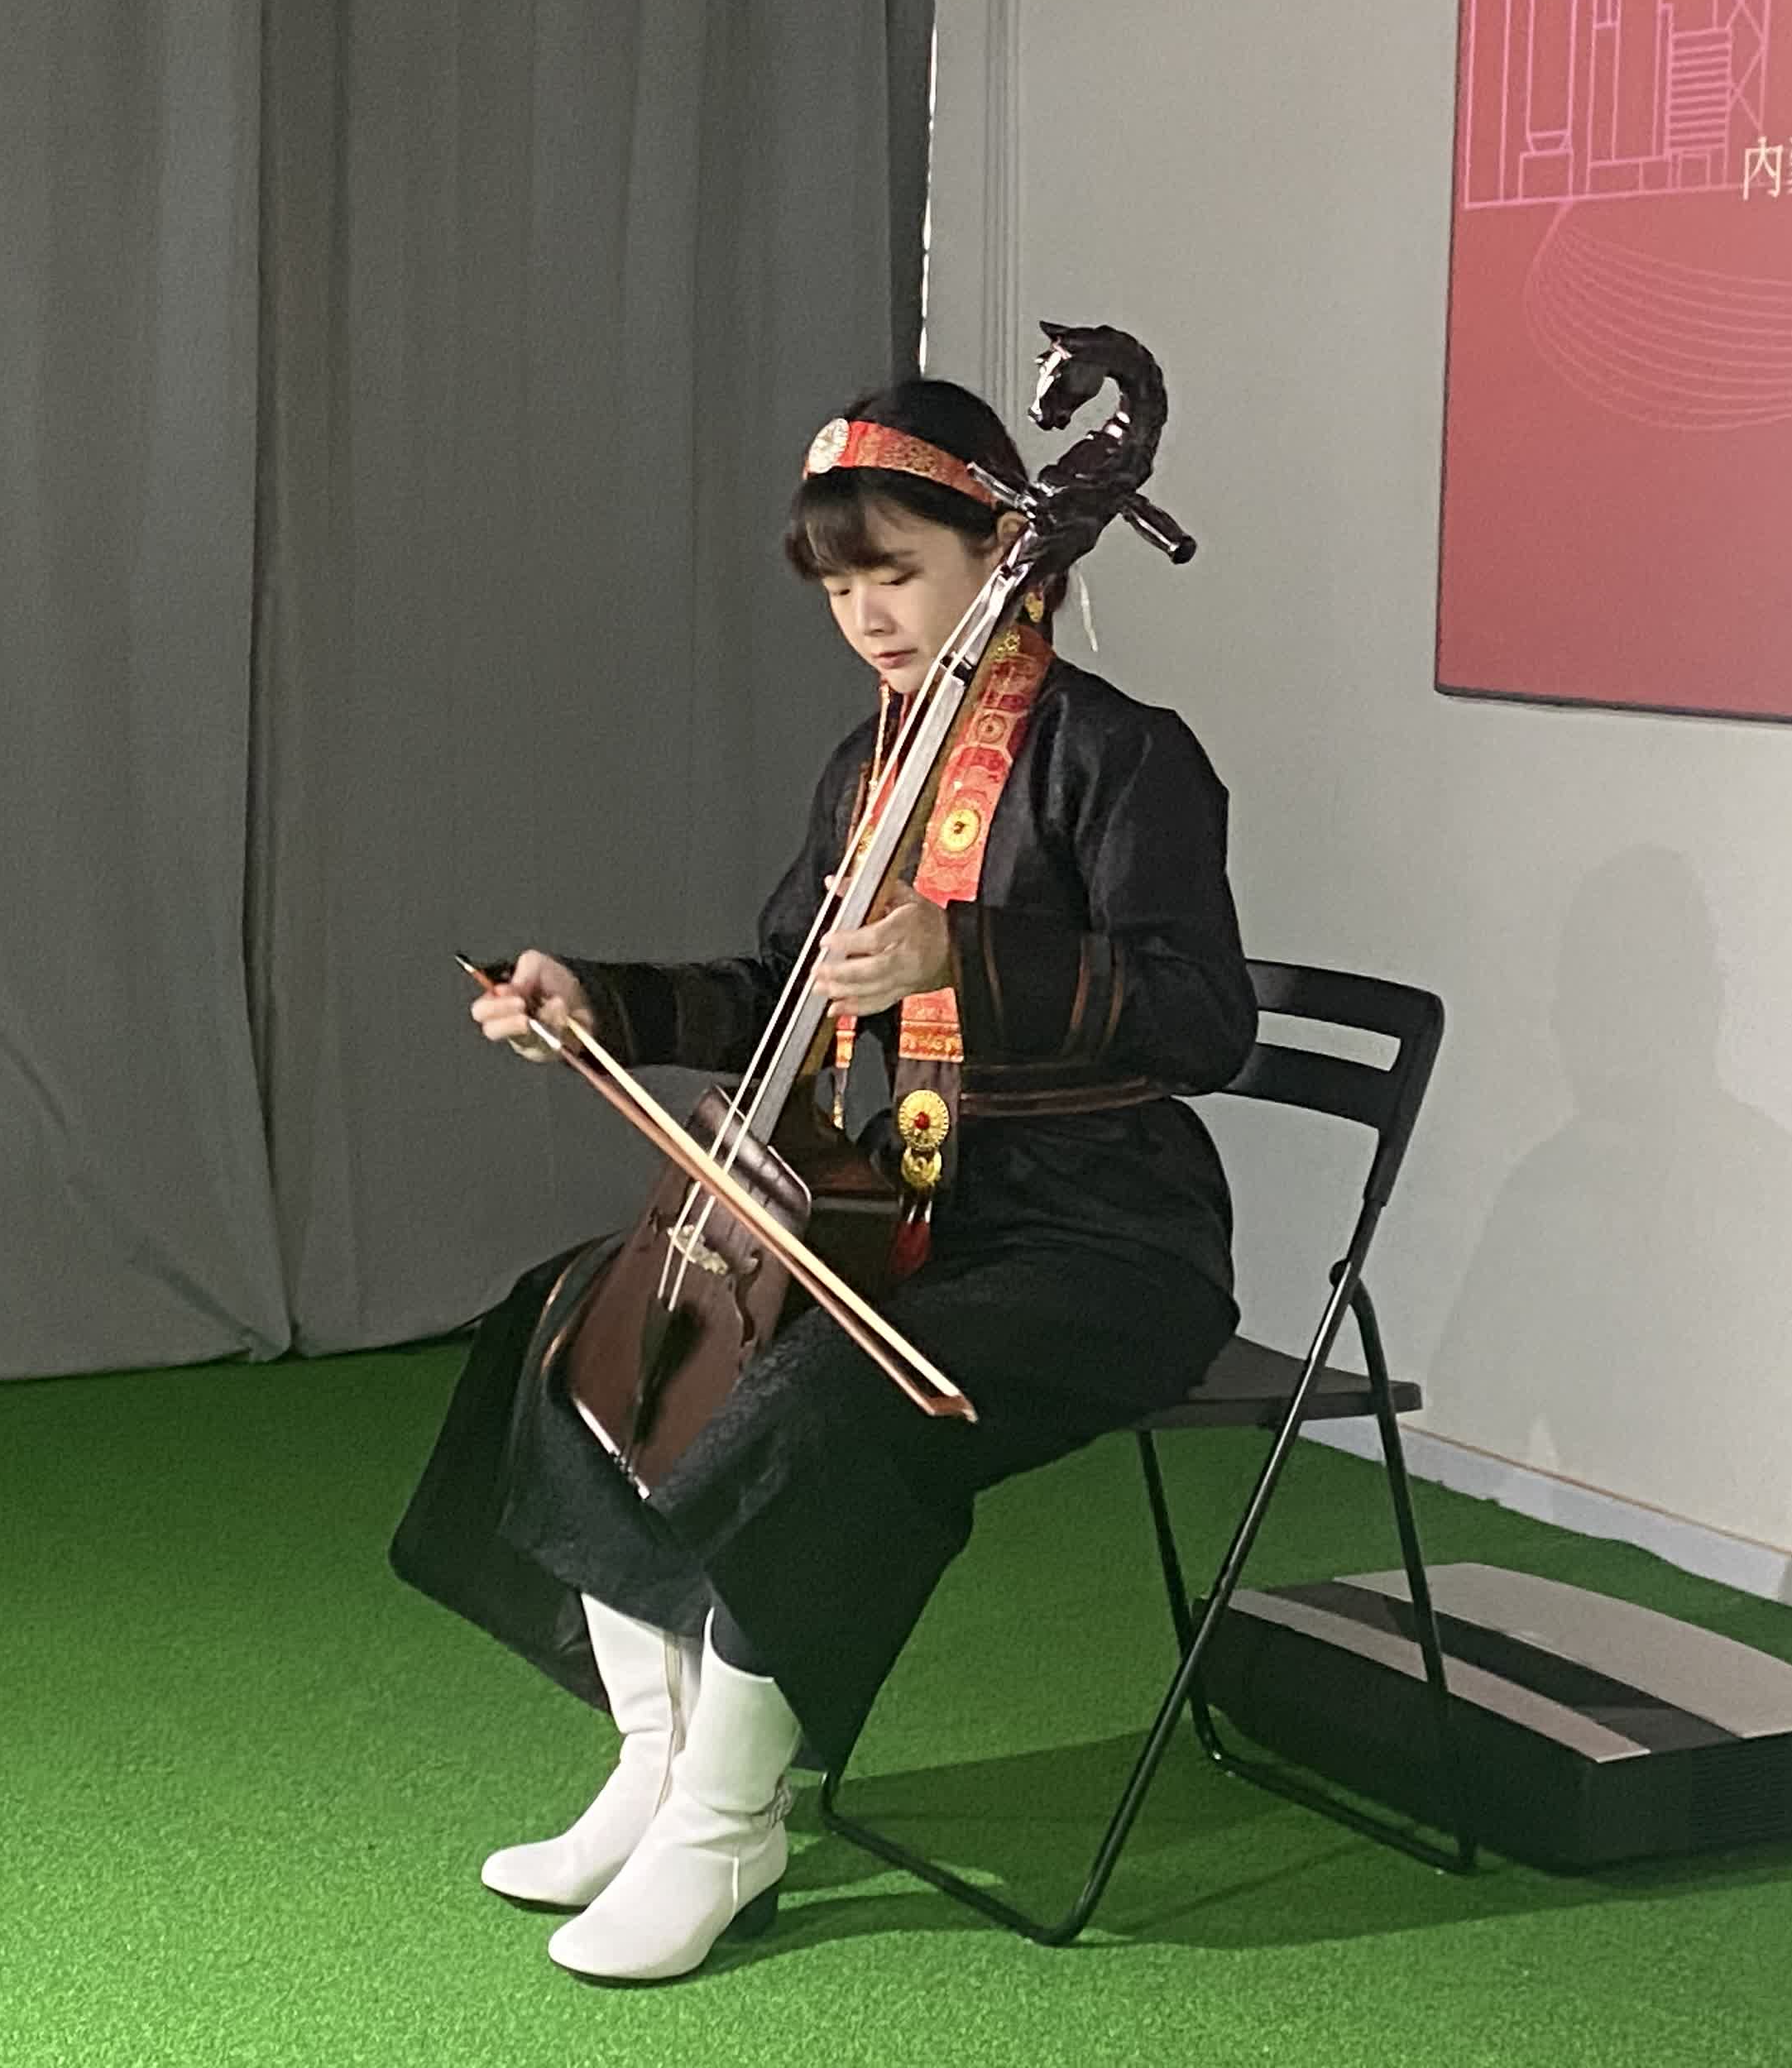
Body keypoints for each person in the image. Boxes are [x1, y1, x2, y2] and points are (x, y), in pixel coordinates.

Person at [392, 375, 1255, 1984]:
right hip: (889, 1206)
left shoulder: (1126, 758)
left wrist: (966, 958)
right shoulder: (872, 767)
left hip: (1097, 1236)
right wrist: (601, 1003)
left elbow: (1208, 1017)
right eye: (841, 585)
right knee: (585, 1323)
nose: (866, 616)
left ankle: (733, 1823)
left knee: (824, 1398)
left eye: (898, 574)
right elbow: (780, 989)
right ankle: (657, 1761)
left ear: (1005, 556)